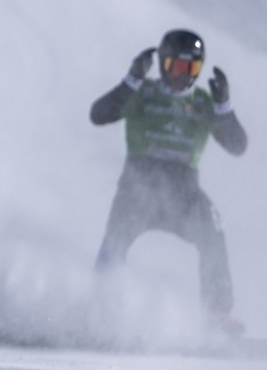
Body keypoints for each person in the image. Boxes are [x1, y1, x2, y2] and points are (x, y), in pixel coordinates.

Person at [90, 28, 248, 335]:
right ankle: (101, 309)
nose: (182, 77)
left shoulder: (203, 102)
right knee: (115, 240)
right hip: (137, 188)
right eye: (176, 67)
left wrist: (224, 107)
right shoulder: (142, 94)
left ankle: (216, 313)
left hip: (184, 194)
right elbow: (99, 115)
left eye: (191, 69)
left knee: (213, 230)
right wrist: (130, 81)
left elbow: (237, 146)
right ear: (163, 64)